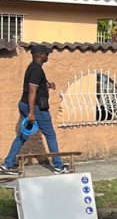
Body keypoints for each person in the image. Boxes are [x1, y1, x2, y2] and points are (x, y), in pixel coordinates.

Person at [1, 44, 69, 175]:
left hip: (26, 105)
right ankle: (59, 166)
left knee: (22, 136)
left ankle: (7, 165)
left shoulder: (33, 68)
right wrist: (32, 113)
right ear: (39, 55)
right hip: (36, 108)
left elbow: (36, 85)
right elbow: (32, 92)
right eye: (46, 54)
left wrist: (48, 85)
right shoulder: (36, 70)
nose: (47, 55)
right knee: (50, 135)